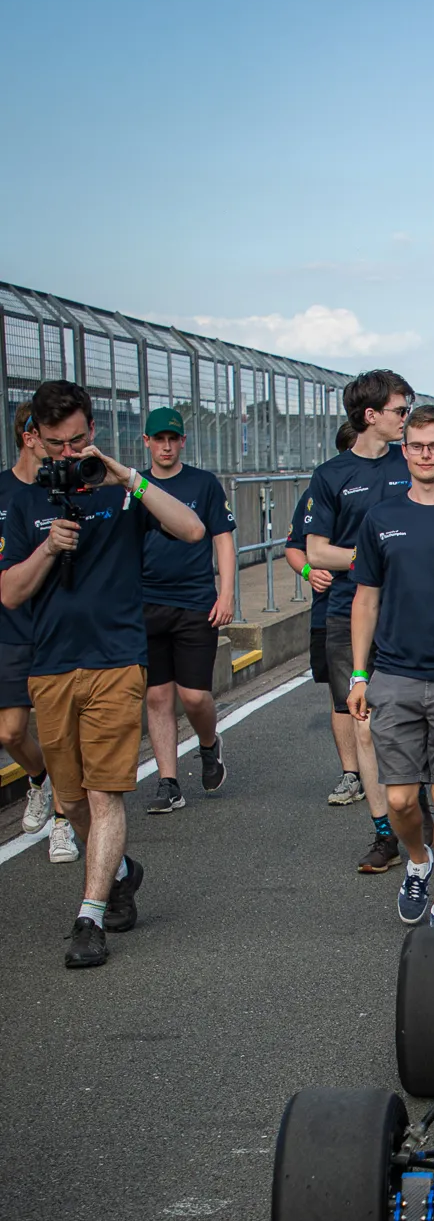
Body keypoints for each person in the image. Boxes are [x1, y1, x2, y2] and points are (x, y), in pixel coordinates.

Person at [0, 378, 205, 967]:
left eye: (83, 439)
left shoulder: (118, 492)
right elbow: (10, 594)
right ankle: (119, 871)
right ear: (35, 437)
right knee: (72, 799)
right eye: (63, 444)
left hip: (117, 659)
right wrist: (47, 549)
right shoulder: (24, 502)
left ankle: (88, 917)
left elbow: (190, 530)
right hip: (52, 665)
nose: (74, 453)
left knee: (103, 789)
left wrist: (124, 475)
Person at [348, 405, 434, 928]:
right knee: (403, 800)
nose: (426, 454)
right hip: (396, 674)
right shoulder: (382, 518)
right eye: (416, 445)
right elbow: (366, 600)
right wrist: (359, 674)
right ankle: (417, 860)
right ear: (403, 451)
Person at [303, 369, 414, 873]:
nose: (407, 420)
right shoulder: (331, 475)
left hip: (412, 607)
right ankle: (385, 831)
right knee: (365, 726)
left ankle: (416, 810)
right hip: (349, 613)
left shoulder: (415, 461)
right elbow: (316, 551)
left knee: (417, 718)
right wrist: (376, 554)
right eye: (400, 411)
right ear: (371, 416)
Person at [137, 407, 236, 813]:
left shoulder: (203, 483)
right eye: (158, 439)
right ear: (146, 442)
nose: (165, 445)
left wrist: (226, 594)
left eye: (172, 439)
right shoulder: (135, 487)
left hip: (196, 601)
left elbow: (223, 539)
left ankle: (209, 744)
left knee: (194, 696)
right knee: (158, 696)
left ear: (182, 442)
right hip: (146, 602)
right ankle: (169, 781)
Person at [290, 423, 364, 806]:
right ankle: (352, 774)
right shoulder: (322, 488)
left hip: (380, 605)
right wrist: (308, 570)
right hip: (332, 609)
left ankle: (389, 774)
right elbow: (295, 547)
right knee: (342, 696)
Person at [0, 403, 59, 843]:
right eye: (50, 435)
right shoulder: (3, 491)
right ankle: (39, 777)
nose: (59, 444)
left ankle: (63, 822)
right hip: (11, 625)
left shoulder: (60, 489)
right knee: (11, 731)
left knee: (60, 732)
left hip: (56, 625)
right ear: (29, 436)